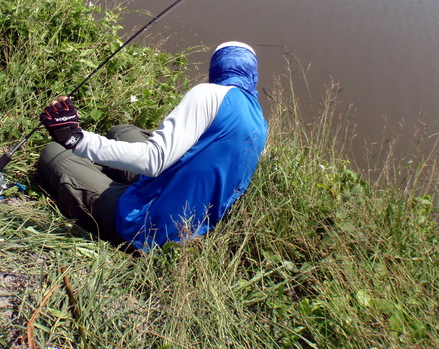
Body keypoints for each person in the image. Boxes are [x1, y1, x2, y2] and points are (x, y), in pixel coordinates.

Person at [36, 41, 268, 252]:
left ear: (215, 68)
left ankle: (101, 181)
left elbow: (153, 160)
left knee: (54, 153)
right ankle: (105, 171)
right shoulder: (260, 120)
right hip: (194, 222)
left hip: (150, 227)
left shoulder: (208, 94)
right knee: (121, 131)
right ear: (253, 74)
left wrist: (76, 138)